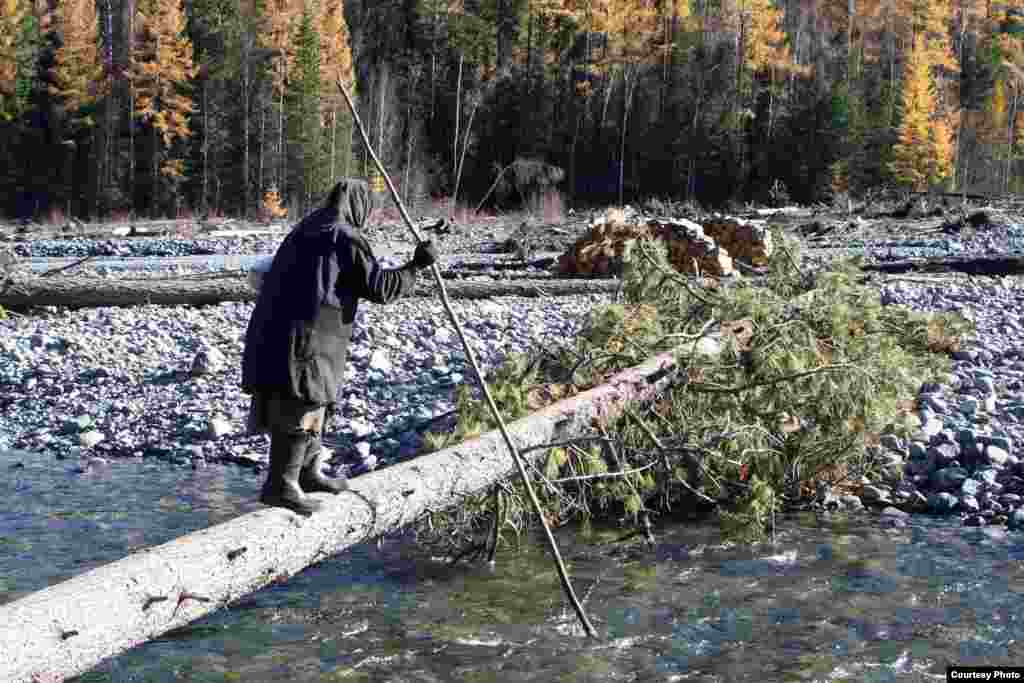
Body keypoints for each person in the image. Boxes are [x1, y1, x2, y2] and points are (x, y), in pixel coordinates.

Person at [242, 179, 439, 515]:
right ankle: (280, 485)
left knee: (315, 398)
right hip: (305, 337)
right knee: (302, 400)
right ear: (358, 205)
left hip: (280, 332)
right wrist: (416, 265)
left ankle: (306, 473)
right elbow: (380, 287)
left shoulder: (306, 229)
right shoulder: (343, 236)